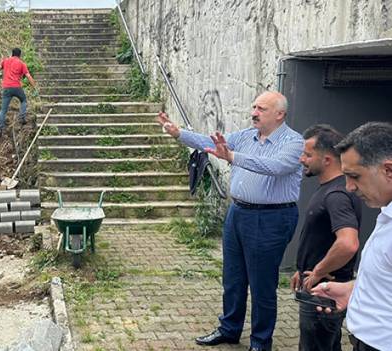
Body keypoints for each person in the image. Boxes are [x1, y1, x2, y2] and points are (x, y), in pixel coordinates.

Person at [157, 91, 304, 351]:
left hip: (271, 217)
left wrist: (233, 157)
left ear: (279, 114)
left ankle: (260, 342)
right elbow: (210, 143)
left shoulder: (293, 142)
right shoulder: (247, 135)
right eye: (254, 107)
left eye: (261, 108)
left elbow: (275, 166)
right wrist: (179, 133)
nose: (254, 112)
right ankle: (229, 329)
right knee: (233, 278)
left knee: (262, 284)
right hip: (238, 213)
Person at [311, 122, 392, 351]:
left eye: (354, 176)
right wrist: (354, 290)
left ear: (389, 170)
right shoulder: (386, 212)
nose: (349, 187)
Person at [291, 124, 361, 351]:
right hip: (317, 285)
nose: (302, 159)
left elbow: (348, 243)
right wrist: (302, 269)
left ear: (328, 159)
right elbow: (321, 238)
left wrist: (319, 271)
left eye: (308, 154)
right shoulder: (330, 187)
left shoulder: (336, 194)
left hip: (324, 292)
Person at [0, 47, 37, 137]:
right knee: (24, 100)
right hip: (17, 87)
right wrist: (34, 87)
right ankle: (22, 117)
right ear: (19, 55)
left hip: (6, 88)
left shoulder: (5, 61)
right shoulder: (22, 63)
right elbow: (28, 76)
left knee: (3, 110)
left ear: (12, 54)